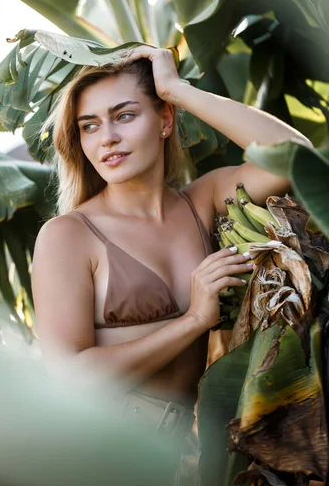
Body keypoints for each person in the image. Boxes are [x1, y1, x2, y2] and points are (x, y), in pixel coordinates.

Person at [31, 45, 311, 479]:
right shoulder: (68, 235)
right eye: (90, 126)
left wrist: (176, 89)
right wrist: (195, 318)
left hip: (172, 456)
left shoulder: (203, 202)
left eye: (124, 115)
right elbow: (72, 377)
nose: (107, 137)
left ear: (164, 120)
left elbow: (294, 155)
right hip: (88, 453)